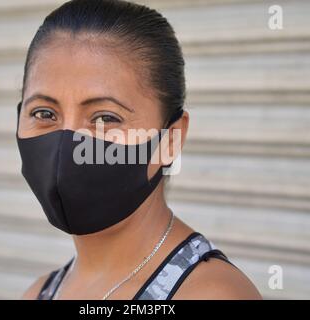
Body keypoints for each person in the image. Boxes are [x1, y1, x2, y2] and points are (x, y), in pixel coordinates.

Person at [16, 0, 261, 300]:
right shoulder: (38, 293)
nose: (68, 142)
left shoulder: (210, 294)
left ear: (170, 140)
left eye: (105, 118)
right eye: (44, 114)